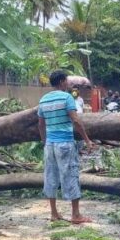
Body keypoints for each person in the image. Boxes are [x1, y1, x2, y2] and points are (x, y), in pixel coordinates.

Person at [38, 70, 96, 224]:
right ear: (62, 81)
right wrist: (87, 140)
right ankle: (76, 215)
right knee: (70, 175)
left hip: (50, 145)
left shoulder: (43, 99)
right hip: (65, 143)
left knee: (50, 176)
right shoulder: (67, 97)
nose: (68, 83)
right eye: (67, 81)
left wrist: (45, 142)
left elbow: (41, 124)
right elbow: (76, 120)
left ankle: (54, 213)